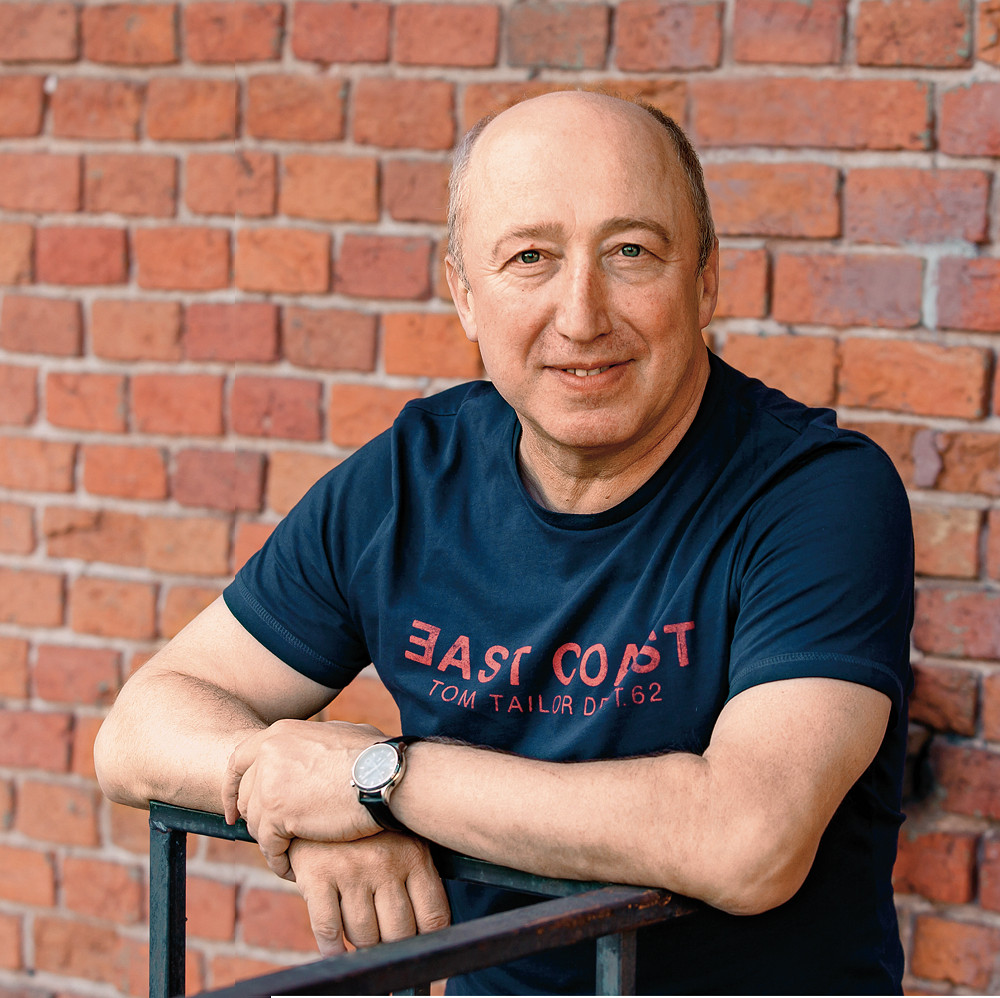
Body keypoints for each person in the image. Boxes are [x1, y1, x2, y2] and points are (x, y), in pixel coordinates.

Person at [95, 91, 913, 994]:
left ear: (705, 280)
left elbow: (747, 839)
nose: (582, 316)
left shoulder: (817, 493)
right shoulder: (410, 481)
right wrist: (292, 784)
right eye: (531, 258)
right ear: (465, 296)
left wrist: (380, 781)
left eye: (630, 252)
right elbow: (140, 728)